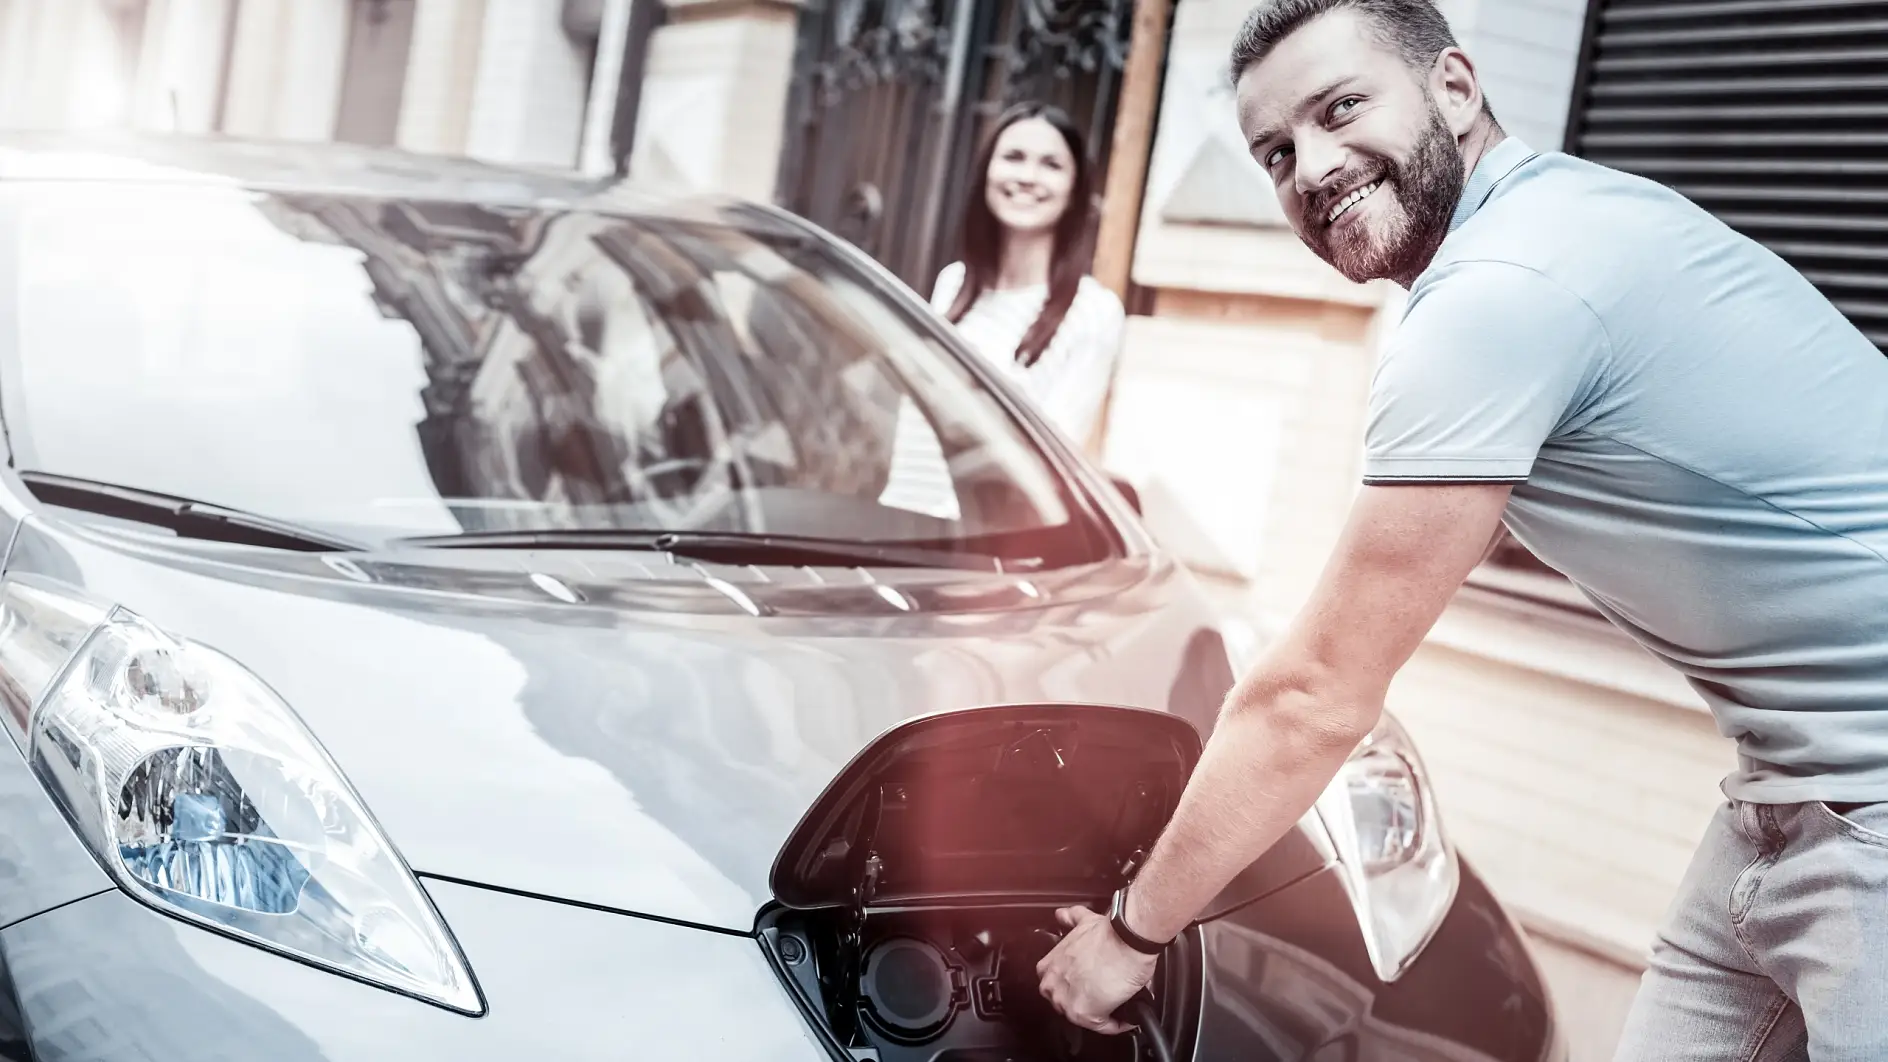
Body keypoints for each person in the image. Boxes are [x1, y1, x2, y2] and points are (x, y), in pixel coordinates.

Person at [1033, 1, 1888, 1058]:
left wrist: (1131, 930)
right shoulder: (1560, 222)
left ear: (1455, 87)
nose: (1311, 165)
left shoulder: (1498, 292)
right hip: (1792, 786)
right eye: (1273, 151)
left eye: (1341, 107)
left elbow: (1313, 696)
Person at [930, 101, 1126, 445]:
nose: (1027, 178)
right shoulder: (952, 283)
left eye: (1051, 164)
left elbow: (1054, 454)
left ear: (1074, 189)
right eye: (1014, 157)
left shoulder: (1095, 311)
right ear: (986, 171)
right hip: (901, 497)